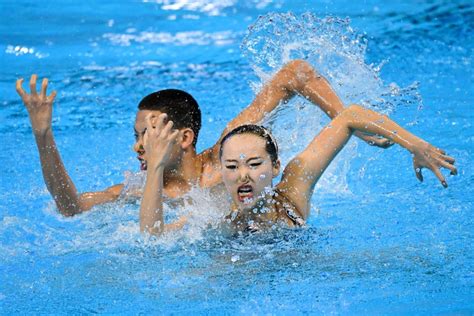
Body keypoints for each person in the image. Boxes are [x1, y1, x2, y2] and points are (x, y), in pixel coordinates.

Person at [16, 60, 391, 217]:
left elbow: (295, 73)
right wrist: (43, 134)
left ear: (185, 137)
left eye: (146, 135)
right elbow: (71, 206)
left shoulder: (228, 153)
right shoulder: (141, 190)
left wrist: (348, 124)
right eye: (136, 137)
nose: (137, 146)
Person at [139, 105, 457, 235]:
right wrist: (154, 168)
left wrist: (414, 145)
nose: (243, 175)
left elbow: (350, 116)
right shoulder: (215, 210)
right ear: (222, 171)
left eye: (254, 164)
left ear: (275, 166)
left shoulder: (294, 187)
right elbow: (152, 240)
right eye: (232, 167)